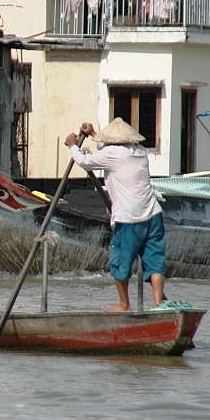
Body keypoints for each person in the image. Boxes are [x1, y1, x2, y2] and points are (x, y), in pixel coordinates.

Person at [65, 118, 166, 311]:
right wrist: (94, 134)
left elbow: (85, 162)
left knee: (120, 262)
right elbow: (111, 151)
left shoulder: (111, 154)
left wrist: (72, 146)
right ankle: (157, 303)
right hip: (153, 214)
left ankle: (124, 305)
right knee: (155, 261)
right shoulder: (140, 151)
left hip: (129, 218)